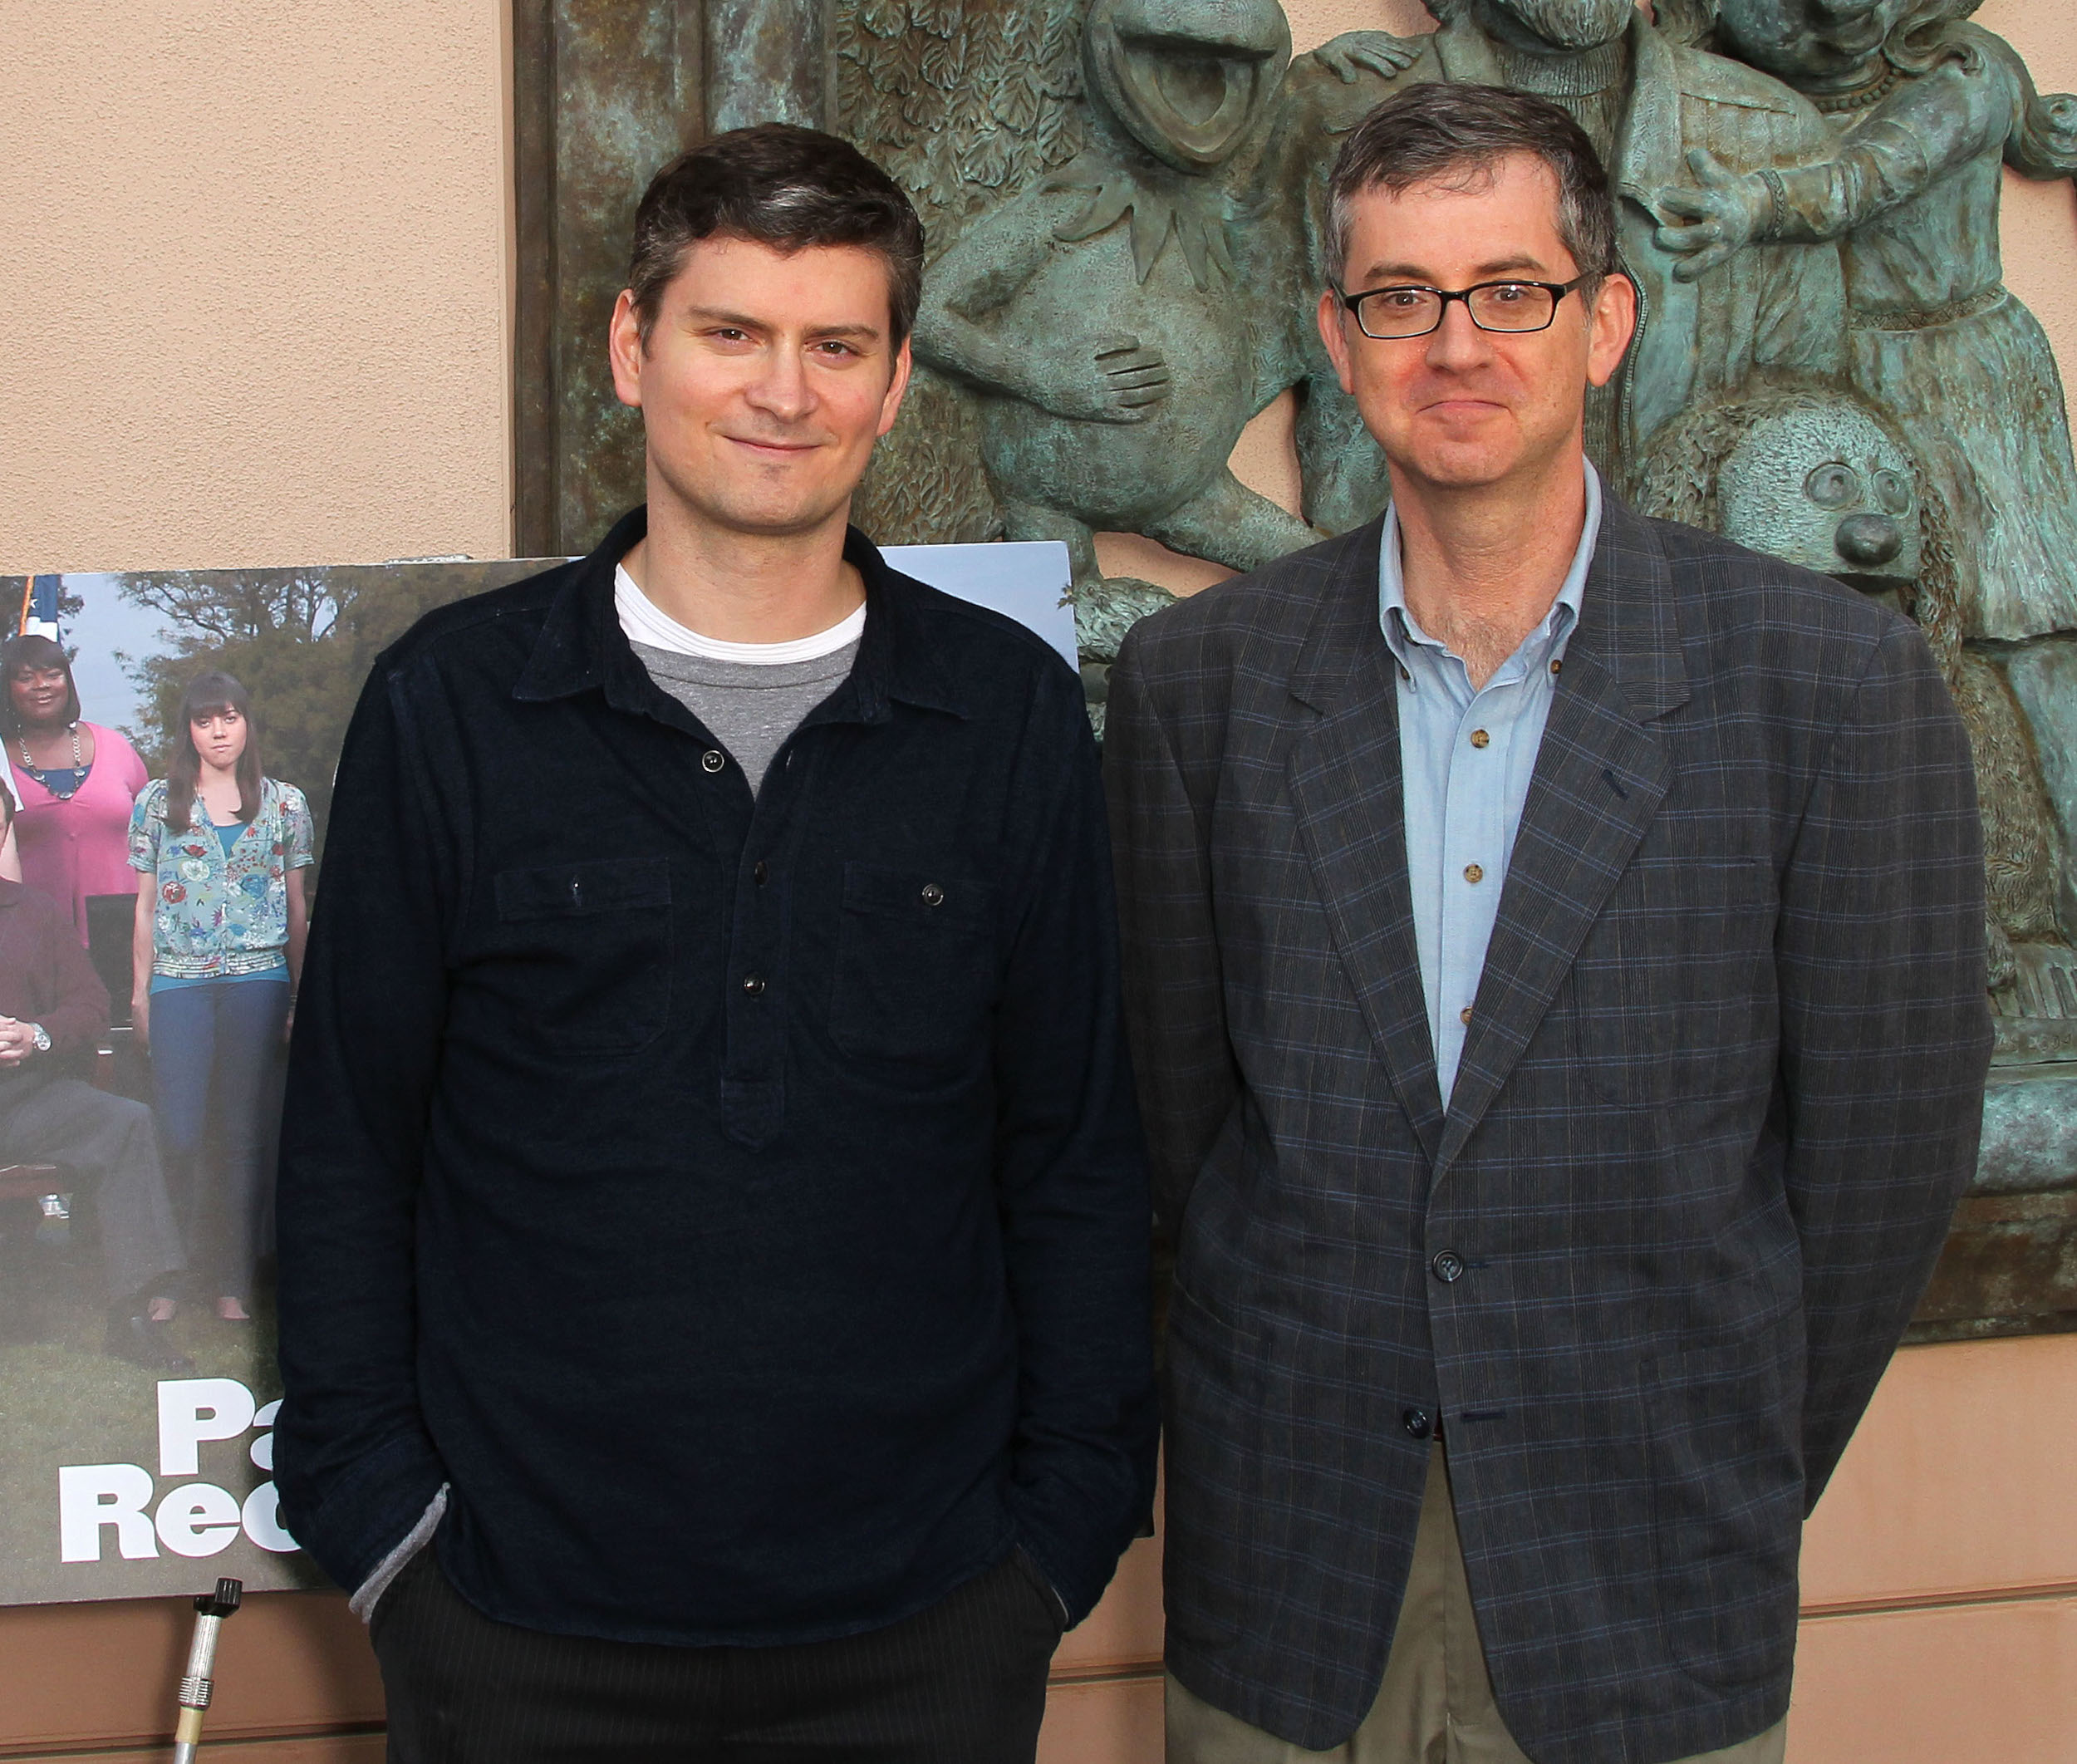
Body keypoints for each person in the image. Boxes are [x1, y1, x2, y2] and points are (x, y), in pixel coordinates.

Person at [1107, 85, 1991, 1764]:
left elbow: (1883, 1158)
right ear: (1337, 339)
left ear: (1605, 323)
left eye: (1511, 289)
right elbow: (1175, 1130)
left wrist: (1729, 1443)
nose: (1456, 343)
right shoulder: (1197, 685)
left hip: (1648, 1562)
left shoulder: (1827, 686)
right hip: (1290, 1567)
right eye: (1400, 297)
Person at [273, 124, 1156, 1764]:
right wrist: (388, 1538)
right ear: (634, 346)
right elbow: (347, 1148)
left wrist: (1053, 1537)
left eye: (837, 344)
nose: (783, 391)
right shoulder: (452, 705)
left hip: (930, 1623)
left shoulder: (1008, 714)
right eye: (731, 331)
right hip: (513, 1630)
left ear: (896, 382)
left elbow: (1074, 1154)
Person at [129, 670, 312, 1324]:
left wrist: (300, 995)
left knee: (240, 1135)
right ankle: (172, 1276)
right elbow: (145, 907)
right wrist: (140, 994)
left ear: (247, 723)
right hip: (179, 981)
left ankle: (231, 1279)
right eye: (205, 719)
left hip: (258, 980)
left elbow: (297, 908)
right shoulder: (158, 802)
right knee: (178, 1132)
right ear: (189, 729)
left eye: (229, 717)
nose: (218, 731)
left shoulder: (285, 803)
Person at [0, 785, 189, 1370]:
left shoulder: (34, 912)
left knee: (125, 1121)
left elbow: (90, 1003)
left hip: (25, 1102)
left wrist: (37, 1034)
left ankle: (130, 1319)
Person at [2, 634, 150, 1020]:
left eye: (52, 674)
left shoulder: (116, 747)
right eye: (26, 677)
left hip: (123, 929)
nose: (42, 686)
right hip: (32, 938)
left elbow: (154, 834)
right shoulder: (0, 755)